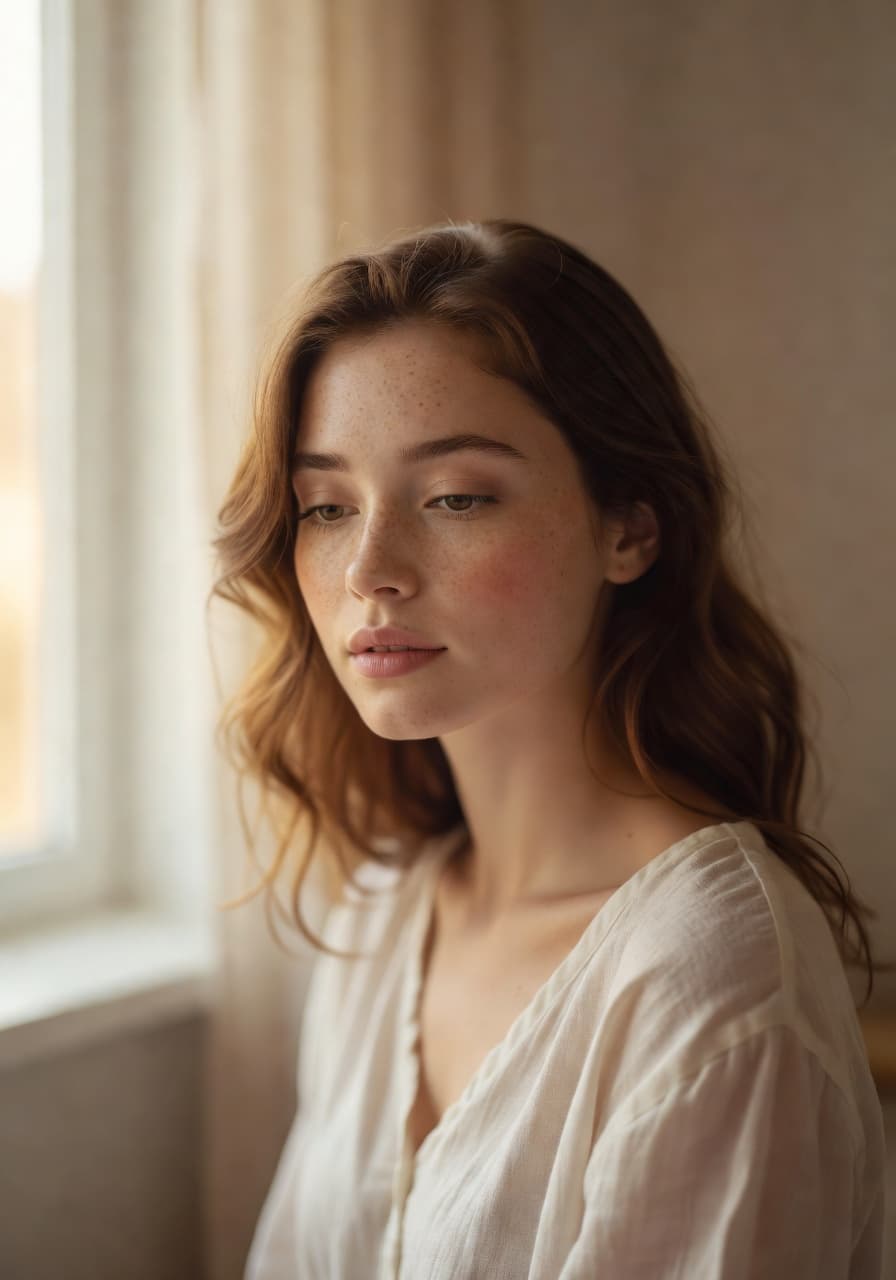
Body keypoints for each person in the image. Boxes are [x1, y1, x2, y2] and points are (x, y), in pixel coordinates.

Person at [211, 219, 888, 1278]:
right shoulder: (386, 905)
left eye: (455, 496)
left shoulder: (713, 978)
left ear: (629, 526)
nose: (369, 569)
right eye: (326, 506)